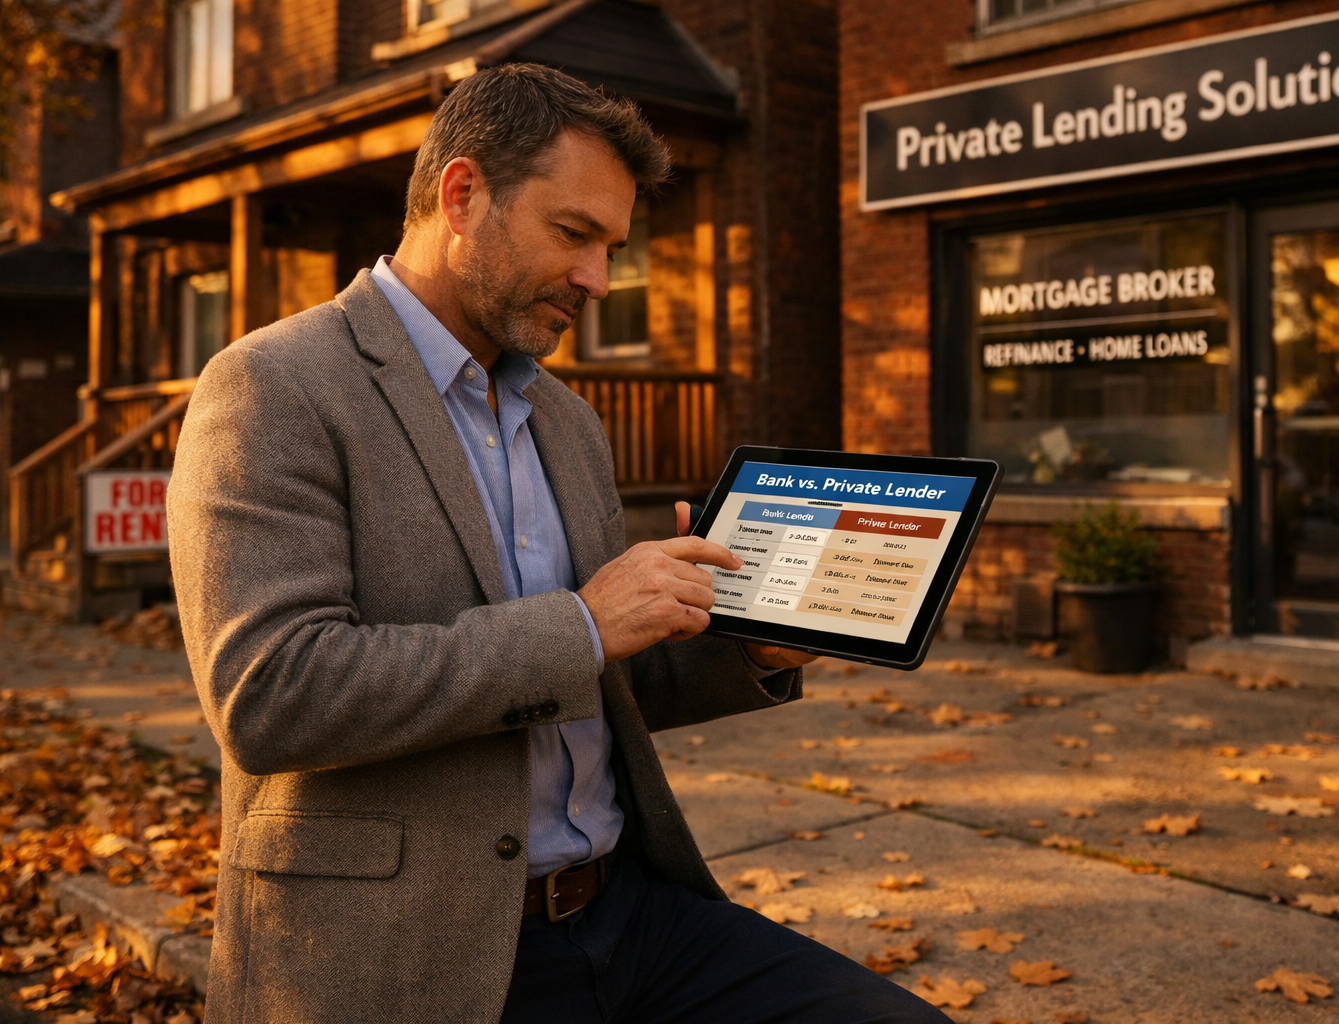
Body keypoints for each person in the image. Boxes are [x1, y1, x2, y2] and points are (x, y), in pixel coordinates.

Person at [168, 64, 950, 1024]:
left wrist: (748, 650)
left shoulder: (568, 421)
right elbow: (272, 695)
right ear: (462, 195)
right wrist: (583, 623)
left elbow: (593, 685)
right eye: (574, 234)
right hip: (413, 954)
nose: (599, 280)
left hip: (630, 911)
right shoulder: (273, 385)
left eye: (613, 246)